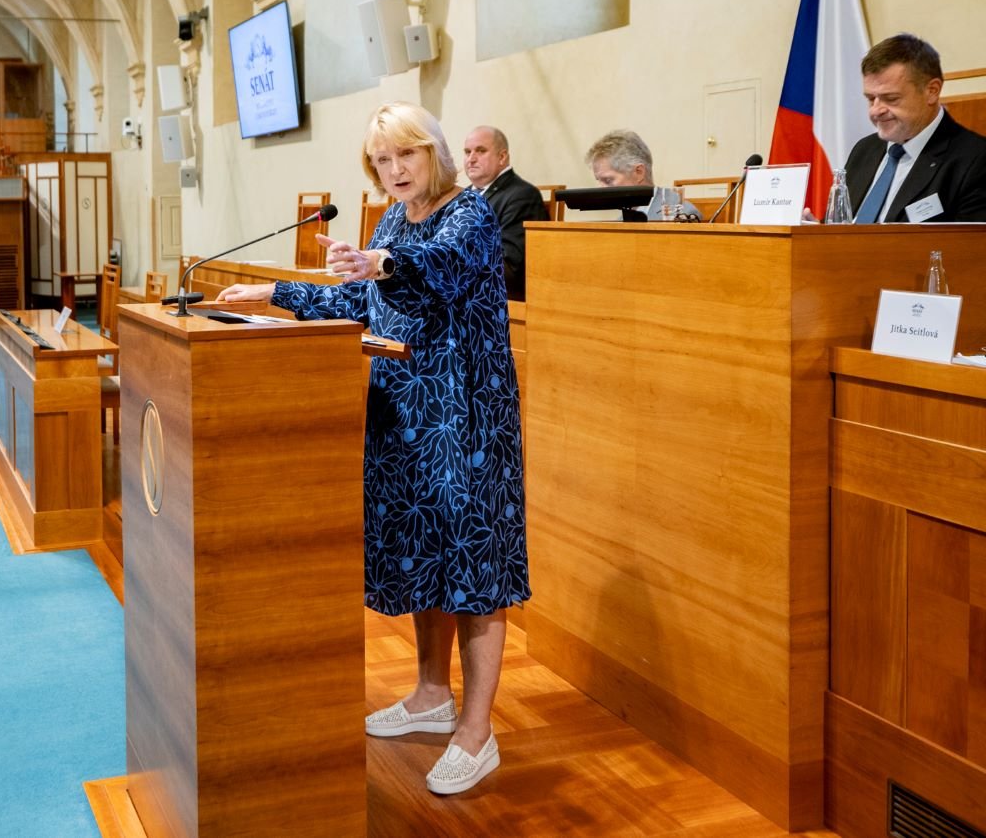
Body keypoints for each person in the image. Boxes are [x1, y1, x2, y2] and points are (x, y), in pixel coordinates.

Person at [216, 101, 529, 796]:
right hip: (404, 417)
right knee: (426, 556)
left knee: (474, 570)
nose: (392, 171)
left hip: (465, 422)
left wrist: (381, 260)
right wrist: (274, 292)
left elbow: (435, 269)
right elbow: (364, 303)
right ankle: (428, 694)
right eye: (380, 162)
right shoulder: (390, 219)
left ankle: (476, 734)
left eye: (404, 157)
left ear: (434, 154)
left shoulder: (469, 212)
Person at [844, 33, 986, 283]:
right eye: (870, 99)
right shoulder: (864, 151)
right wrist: (812, 234)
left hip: (913, 304)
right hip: (841, 288)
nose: (876, 110)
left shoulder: (978, 162)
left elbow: (985, 267)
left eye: (890, 99)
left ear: (932, 91)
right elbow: (841, 231)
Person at [461, 126, 548, 301]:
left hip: (495, 302)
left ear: (502, 157)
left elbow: (508, 266)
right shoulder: (460, 196)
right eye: (467, 152)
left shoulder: (521, 195)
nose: (471, 159)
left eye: (480, 151)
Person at [586, 130, 700, 220]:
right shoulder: (620, 220)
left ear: (639, 172)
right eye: (598, 180)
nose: (600, 188)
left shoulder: (682, 215)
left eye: (608, 180)